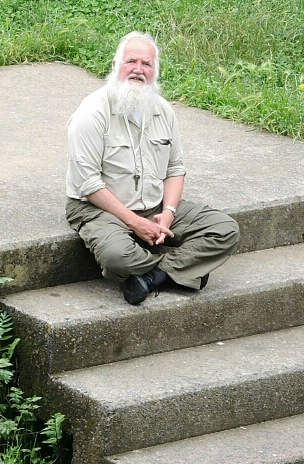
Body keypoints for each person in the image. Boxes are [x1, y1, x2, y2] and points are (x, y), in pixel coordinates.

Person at [65, 31, 240, 305]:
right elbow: (87, 184)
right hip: (100, 208)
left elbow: (175, 168)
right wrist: (135, 223)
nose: (138, 70)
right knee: (117, 257)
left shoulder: (163, 110)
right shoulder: (91, 113)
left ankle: (151, 277)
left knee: (224, 229)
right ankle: (181, 271)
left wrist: (168, 212)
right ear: (115, 66)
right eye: (131, 61)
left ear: (155, 71)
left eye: (146, 64)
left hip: (154, 205)